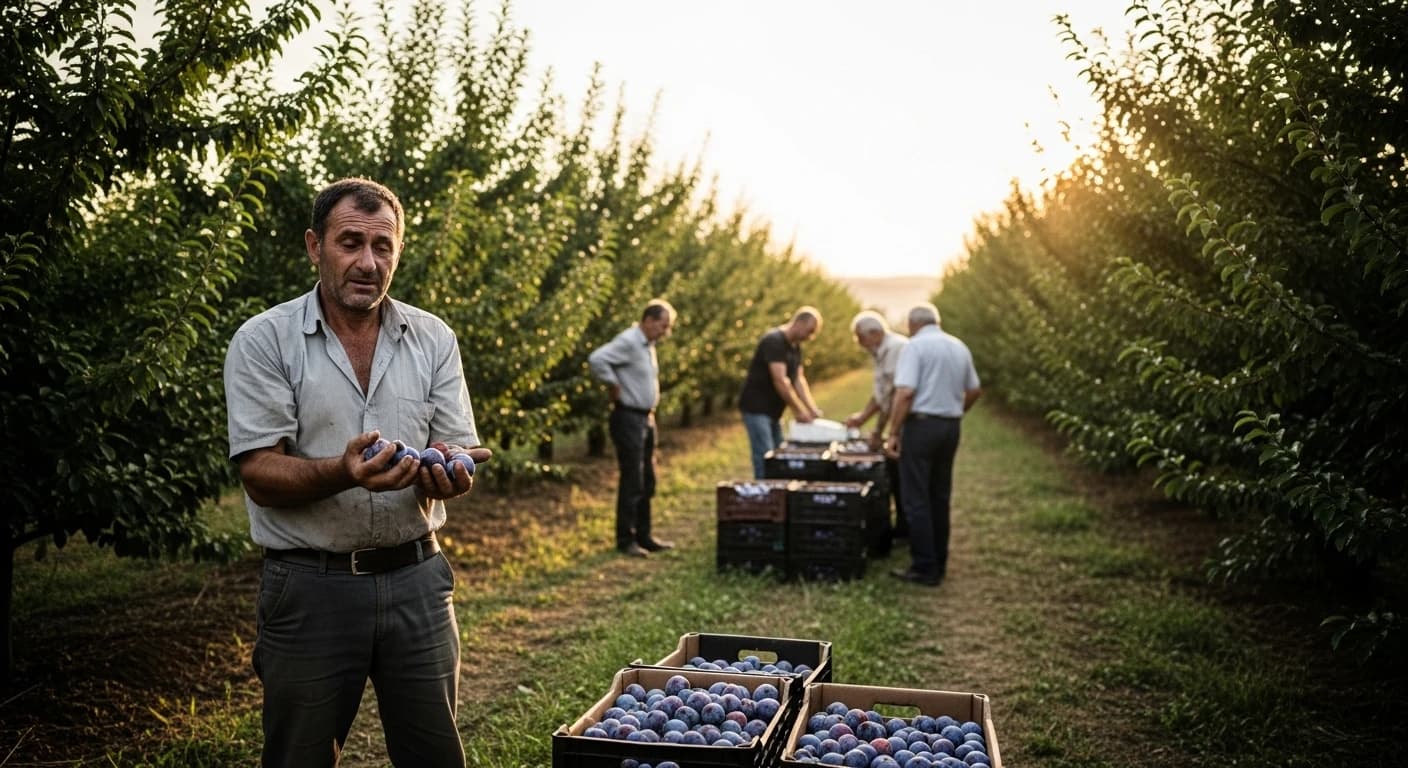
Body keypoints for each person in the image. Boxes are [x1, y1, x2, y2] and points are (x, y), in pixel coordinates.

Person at [223, 178, 491, 767]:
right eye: (350, 243)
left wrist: (452, 471)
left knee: (434, 755)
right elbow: (260, 473)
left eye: (382, 246)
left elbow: (453, 445)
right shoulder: (265, 340)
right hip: (310, 587)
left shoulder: (432, 337)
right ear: (314, 246)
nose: (368, 262)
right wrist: (345, 472)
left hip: (418, 580)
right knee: (299, 755)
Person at [882, 302, 981, 587]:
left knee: (916, 497)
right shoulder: (959, 346)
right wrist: (956, 410)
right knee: (939, 495)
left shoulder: (915, 347)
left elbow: (905, 393)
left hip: (922, 426)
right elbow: (974, 389)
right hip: (950, 427)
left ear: (912, 324)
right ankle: (939, 560)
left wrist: (894, 432)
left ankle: (925, 567)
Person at [588, 299, 678, 558]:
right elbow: (597, 359)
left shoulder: (648, 345)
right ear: (648, 320)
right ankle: (626, 539)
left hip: (646, 418)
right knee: (633, 480)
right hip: (628, 417)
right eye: (663, 325)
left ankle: (644, 535)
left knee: (647, 478)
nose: (666, 331)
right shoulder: (629, 341)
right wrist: (613, 383)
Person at [842, 310, 909, 543]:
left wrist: (881, 432)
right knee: (895, 472)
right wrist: (862, 418)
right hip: (898, 419)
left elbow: (894, 396)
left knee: (902, 474)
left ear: (875, 333)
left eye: (861, 338)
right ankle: (901, 526)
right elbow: (880, 395)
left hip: (906, 420)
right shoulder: (882, 353)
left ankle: (906, 528)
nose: (860, 344)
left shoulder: (896, 349)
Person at [738, 306, 824, 478]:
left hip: (773, 411)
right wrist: (798, 411)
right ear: (799, 323)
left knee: (779, 453)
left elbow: (798, 379)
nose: (810, 337)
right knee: (765, 455)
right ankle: (765, 489)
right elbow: (780, 380)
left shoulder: (795, 346)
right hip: (757, 407)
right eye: (810, 331)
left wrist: (811, 408)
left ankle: (776, 488)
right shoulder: (774, 341)